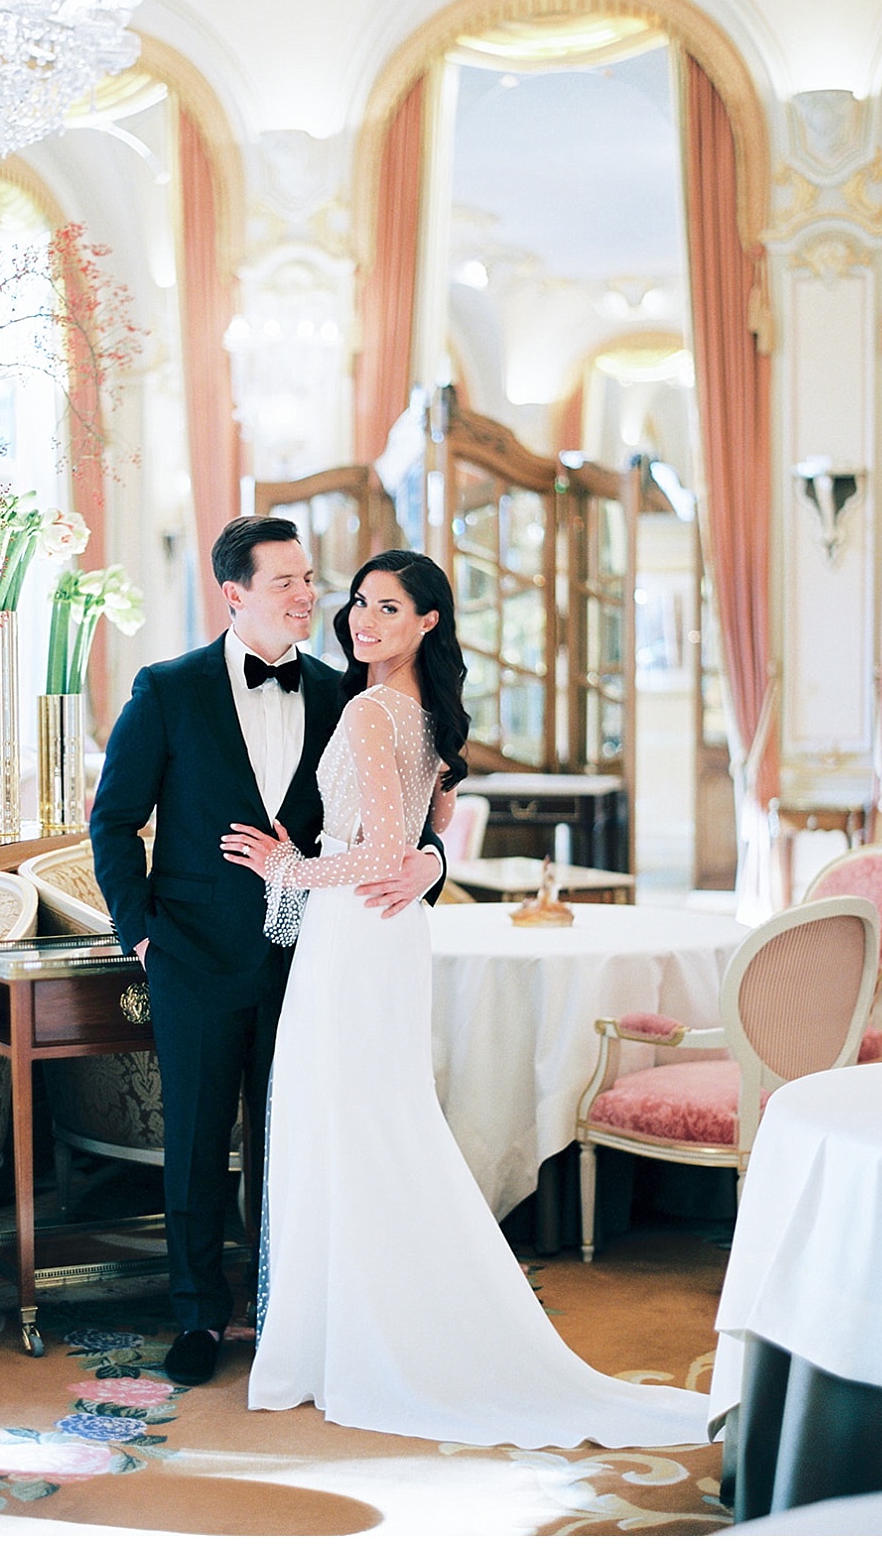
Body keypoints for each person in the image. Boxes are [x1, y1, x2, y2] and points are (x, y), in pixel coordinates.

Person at [222, 550, 710, 1449]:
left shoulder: (373, 709)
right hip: (380, 935)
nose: (363, 620)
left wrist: (287, 866)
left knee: (351, 1123)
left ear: (428, 622)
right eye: (360, 602)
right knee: (373, 1121)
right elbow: (423, 833)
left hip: (358, 933)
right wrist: (390, 855)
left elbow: (378, 853)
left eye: (390, 607)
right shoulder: (421, 714)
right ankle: (362, 1325)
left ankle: (354, 1337)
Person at [90, 517, 443, 1388]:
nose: (307, 595)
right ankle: (199, 1316)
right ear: (235, 592)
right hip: (195, 957)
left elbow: (399, 820)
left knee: (302, 1141)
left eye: (309, 577)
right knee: (199, 1141)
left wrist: (432, 865)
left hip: (317, 959)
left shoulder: (342, 693)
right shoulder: (167, 689)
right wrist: (140, 931)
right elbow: (113, 819)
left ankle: (289, 1307)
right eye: (285, 581)